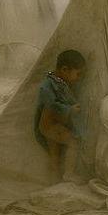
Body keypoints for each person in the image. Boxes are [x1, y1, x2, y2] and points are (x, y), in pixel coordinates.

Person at [34, 49, 85, 183]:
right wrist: (70, 110)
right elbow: (51, 105)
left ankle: (54, 180)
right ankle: (69, 174)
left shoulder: (58, 81)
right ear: (64, 69)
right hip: (50, 125)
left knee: (54, 154)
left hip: (53, 124)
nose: (78, 78)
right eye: (77, 74)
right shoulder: (47, 86)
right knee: (74, 142)